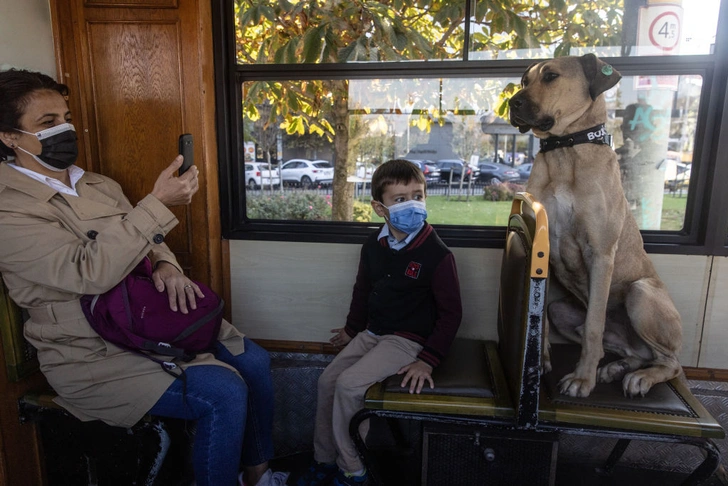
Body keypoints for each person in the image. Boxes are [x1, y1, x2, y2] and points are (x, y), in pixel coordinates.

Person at [0, 69, 287, 486]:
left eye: (65, 117)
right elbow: (87, 270)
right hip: (90, 351)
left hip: (146, 318)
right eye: (47, 123)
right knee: (222, 391)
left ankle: (258, 477)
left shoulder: (98, 184)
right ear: (9, 137)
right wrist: (157, 202)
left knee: (253, 361)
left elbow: (146, 240)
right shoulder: (9, 209)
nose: (64, 129)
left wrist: (167, 264)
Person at [297, 159, 463, 486]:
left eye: (418, 195)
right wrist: (350, 329)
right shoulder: (374, 246)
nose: (412, 204)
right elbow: (363, 290)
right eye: (400, 199)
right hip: (372, 333)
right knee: (328, 381)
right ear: (379, 208)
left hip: (407, 340)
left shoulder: (436, 254)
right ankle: (324, 459)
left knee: (349, 385)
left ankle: (352, 468)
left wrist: (427, 361)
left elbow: (451, 313)